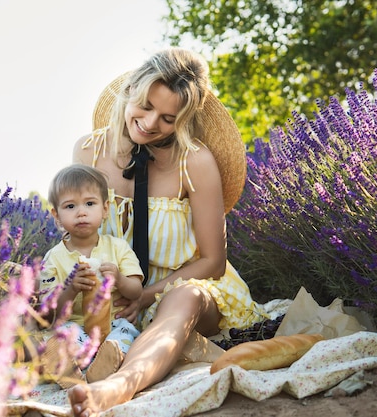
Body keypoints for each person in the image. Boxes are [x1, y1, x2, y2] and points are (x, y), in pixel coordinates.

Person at [68, 47, 267, 416]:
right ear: (130, 91)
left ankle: (116, 388)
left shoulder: (196, 161)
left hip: (184, 289)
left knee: (184, 296)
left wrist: (147, 294)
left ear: (183, 120)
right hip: (119, 292)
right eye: (145, 105)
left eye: (167, 118)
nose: (149, 122)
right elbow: (79, 236)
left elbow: (213, 261)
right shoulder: (88, 153)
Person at [38, 163, 144, 387]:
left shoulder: (118, 247)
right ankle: (73, 369)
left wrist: (119, 279)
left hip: (114, 324)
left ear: (105, 209)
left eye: (89, 203)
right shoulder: (53, 258)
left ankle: (103, 365)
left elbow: (136, 291)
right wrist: (70, 288)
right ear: (56, 215)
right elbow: (47, 310)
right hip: (77, 329)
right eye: (70, 206)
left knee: (126, 334)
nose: (81, 212)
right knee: (62, 336)